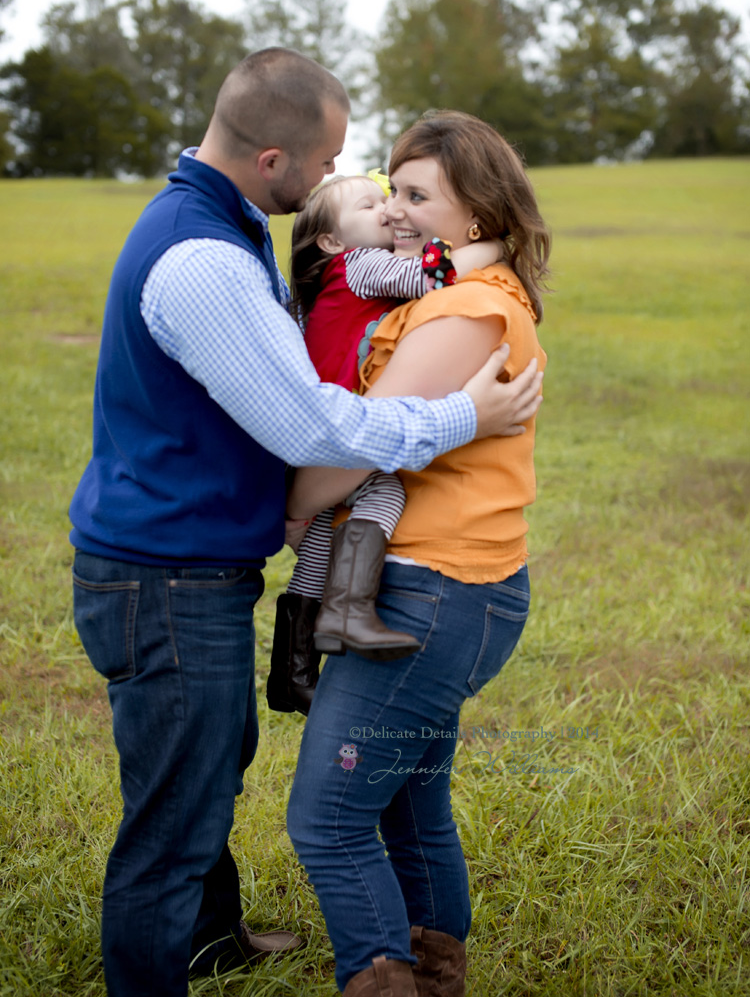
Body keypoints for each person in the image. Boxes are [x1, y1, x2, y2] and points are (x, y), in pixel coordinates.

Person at [68, 50, 543, 997]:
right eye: (333, 162)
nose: (348, 184)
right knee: (178, 806)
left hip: (229, 565)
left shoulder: (228, 222)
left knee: (212, 772)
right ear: (276, 157)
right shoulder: (203, 254)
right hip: (164, 572)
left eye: (408, 191)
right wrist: (462, 417)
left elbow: (330, 433)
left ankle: (212, 940)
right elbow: (314, 430)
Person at [285, 109, 550, 996]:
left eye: (415, 194)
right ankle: (433, 969)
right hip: (454, 587)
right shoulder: (459, 289)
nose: (396, 210)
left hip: (434, 591)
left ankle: (384, 976)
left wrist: (287, 516)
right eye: (390, 190)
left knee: (325, 816)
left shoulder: (470, 307)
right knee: (406, 800)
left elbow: (361, 443)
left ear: (476, 210)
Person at [267, 172, 503, 715]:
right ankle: (347, 612)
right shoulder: (360, 265)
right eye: (371, 204)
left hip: (315, 425)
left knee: (325, 529)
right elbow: (432, 277)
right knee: (386, 493)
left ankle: (293, 669)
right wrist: (490, 247)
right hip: (343, 423)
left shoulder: (326, 279)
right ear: (331, 239)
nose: (387, 211)